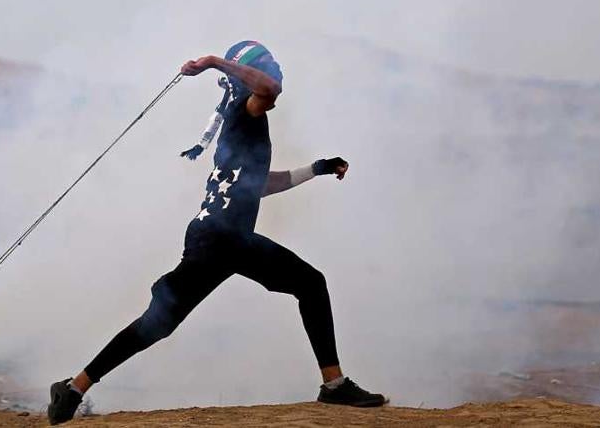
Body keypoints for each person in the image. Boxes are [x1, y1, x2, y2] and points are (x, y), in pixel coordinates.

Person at [46, 41, 386, 424]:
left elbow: (257, 185)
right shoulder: (247, 110)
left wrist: (317, 168)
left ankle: (73, 388)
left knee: (158, 323)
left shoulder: (238, 126)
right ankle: (334, 386)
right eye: (267, 66)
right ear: (248, 76)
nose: (276, 73)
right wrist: (214, 63)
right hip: (224, 238)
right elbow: (269, 90)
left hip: (217, 239)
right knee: (309, 283)